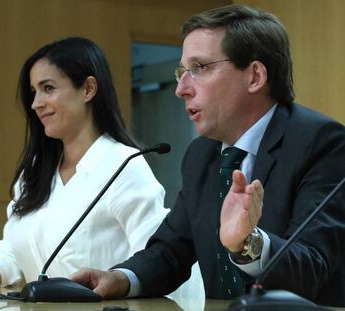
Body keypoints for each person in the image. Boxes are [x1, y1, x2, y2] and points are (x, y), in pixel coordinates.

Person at [70, 4, 345, 307]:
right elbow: (170, 252)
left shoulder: (323, 144)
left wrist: (247, 243)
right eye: (181, 72)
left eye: (200, 68)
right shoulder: (202, 155)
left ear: (254, 76)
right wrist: (120, 278)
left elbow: (313, 267)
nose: (181, 89)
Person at [0, 37, 168, 288]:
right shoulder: (35, 172)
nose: (36, 103)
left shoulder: (124, 165)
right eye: (34, 92)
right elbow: (12, 253)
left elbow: (155, 262)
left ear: (88, 89)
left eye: (48, 88)